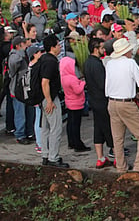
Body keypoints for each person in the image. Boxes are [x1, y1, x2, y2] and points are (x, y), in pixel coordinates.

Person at [105, 38, 139, 173]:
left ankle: (121, 167)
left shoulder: (110, 64)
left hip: (112, 102)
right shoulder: (131, 63)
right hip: (126, 103)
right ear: (126, 51)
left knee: (117, 138)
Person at [84, 38, 114, 169]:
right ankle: (117, 157)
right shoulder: (96, 64)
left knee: (98, 128)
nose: (104, 50)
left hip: (93, 99)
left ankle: (100, 157)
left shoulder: (87, 62)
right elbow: (103, 84)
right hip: (101, 100)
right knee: (109, 128)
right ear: (96, 49)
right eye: (102, 48)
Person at [40, 35, 69, 168]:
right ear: (52, 47)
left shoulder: (43, 59)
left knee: (45, 128)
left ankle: (45, 155)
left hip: (43, 98)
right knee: (56, 128)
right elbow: (45, 82)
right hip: (50, 98)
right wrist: (50, 101)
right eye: (58, 45)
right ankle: (53, 157)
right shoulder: (51, 62)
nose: (60, 47)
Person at [60, 53, 90, 152]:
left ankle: (71, 142)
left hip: (69, 102)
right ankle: (78, 145)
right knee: (76, 124)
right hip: (76, 103)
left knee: (70, 123)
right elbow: (78, 90)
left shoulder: (63, 77)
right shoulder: (72, 78)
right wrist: (83, 82)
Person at [8, 36, 33, 144]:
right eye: (23, 43)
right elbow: (13, 70)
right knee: (20, 113)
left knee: (28, 111)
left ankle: (28, 132)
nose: (26, 44)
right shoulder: (15, 56)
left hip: (25, 88)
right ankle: (20, 135)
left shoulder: (23, 54)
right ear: (18, 45)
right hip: (18, 89)